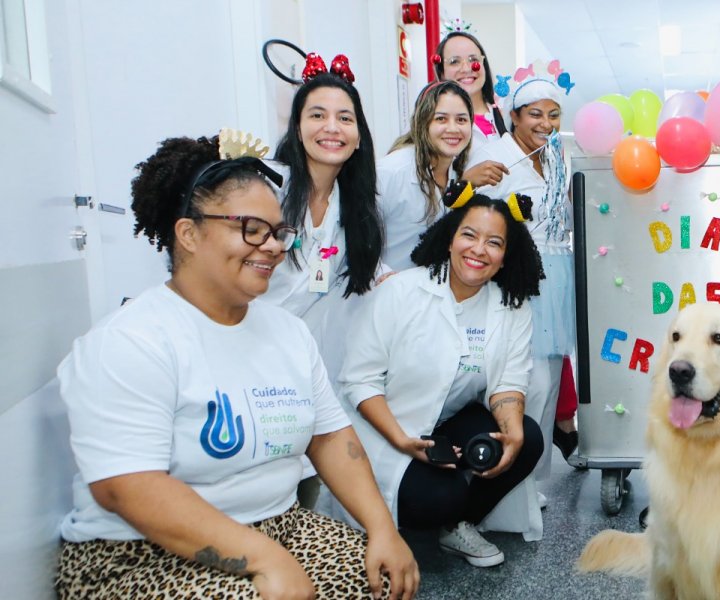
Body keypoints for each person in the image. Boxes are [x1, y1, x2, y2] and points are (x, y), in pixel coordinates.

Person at [55, 134, 418, 600]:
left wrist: (382, 529)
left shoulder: (287, 333)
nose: (271, 246)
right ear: (188, 234)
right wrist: (266, 561)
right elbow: (127, 488)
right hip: (136, 550)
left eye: (279, 232)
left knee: (384, 578)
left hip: (278, 526)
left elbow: (330, 438)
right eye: (250, 228)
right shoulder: (129, 341)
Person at [336, 185, 546, 568]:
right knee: (440, 496)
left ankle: (455, 526)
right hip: (391, 423)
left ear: (505, 256)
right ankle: (425, 517)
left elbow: (509, 381)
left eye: (494, 242)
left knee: (527, 439)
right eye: (469, 235)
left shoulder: (511, 307)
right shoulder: (401, 292)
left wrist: (511, 432)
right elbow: (360, 380)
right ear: (450, 238)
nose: (479, 250)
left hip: (451, 420)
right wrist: (402, 440)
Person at [468, 62, 576, 500]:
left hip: (557, 278)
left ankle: (534, 481)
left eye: (554, 115)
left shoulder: (555, 158)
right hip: (517, 281)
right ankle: (508, 485)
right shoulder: (495, 158)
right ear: (514, 116)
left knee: (548, 383)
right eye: (535, 114)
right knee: (520, 383)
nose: (545, 124)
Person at [264, 52, 385, 392]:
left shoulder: (355, 209)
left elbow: (371, 273)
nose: (332, 127)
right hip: (240, 348)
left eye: (345, 118)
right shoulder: (267, 189)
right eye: (317, 115)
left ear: (359, 136)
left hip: (301, 364)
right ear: (297, 128)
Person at [377, 81, 475, 272]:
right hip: (383, 292)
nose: (453, 128)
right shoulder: (391, 172)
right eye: (441, 119)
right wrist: (381, 275)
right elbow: (355, 239)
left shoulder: (455, 173)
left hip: (427, 293)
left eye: (461, 120)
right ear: (423, 122)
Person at [433, 25, 509, 186]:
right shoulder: (431, 122)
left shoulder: (508, 114)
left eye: (473, 60)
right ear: (441, 72)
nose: (467, 69)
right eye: (454, 61)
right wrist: (466, 182)